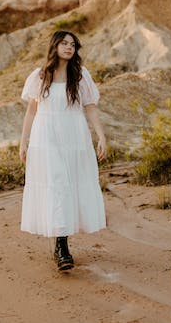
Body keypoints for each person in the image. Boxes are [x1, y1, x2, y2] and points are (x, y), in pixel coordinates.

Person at [19, 30, 107, 271]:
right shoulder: (40, 76)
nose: (69, 47)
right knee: (56, 185)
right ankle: (61, 247)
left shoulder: (80, 76)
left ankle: (62, 240)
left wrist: (100, 136)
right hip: (46, 136)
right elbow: (31, 111)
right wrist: (23, 141)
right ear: (54, 46)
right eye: (64, 43)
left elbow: (90, 107)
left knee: (69, 186)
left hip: (73, 135)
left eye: (73, 44)